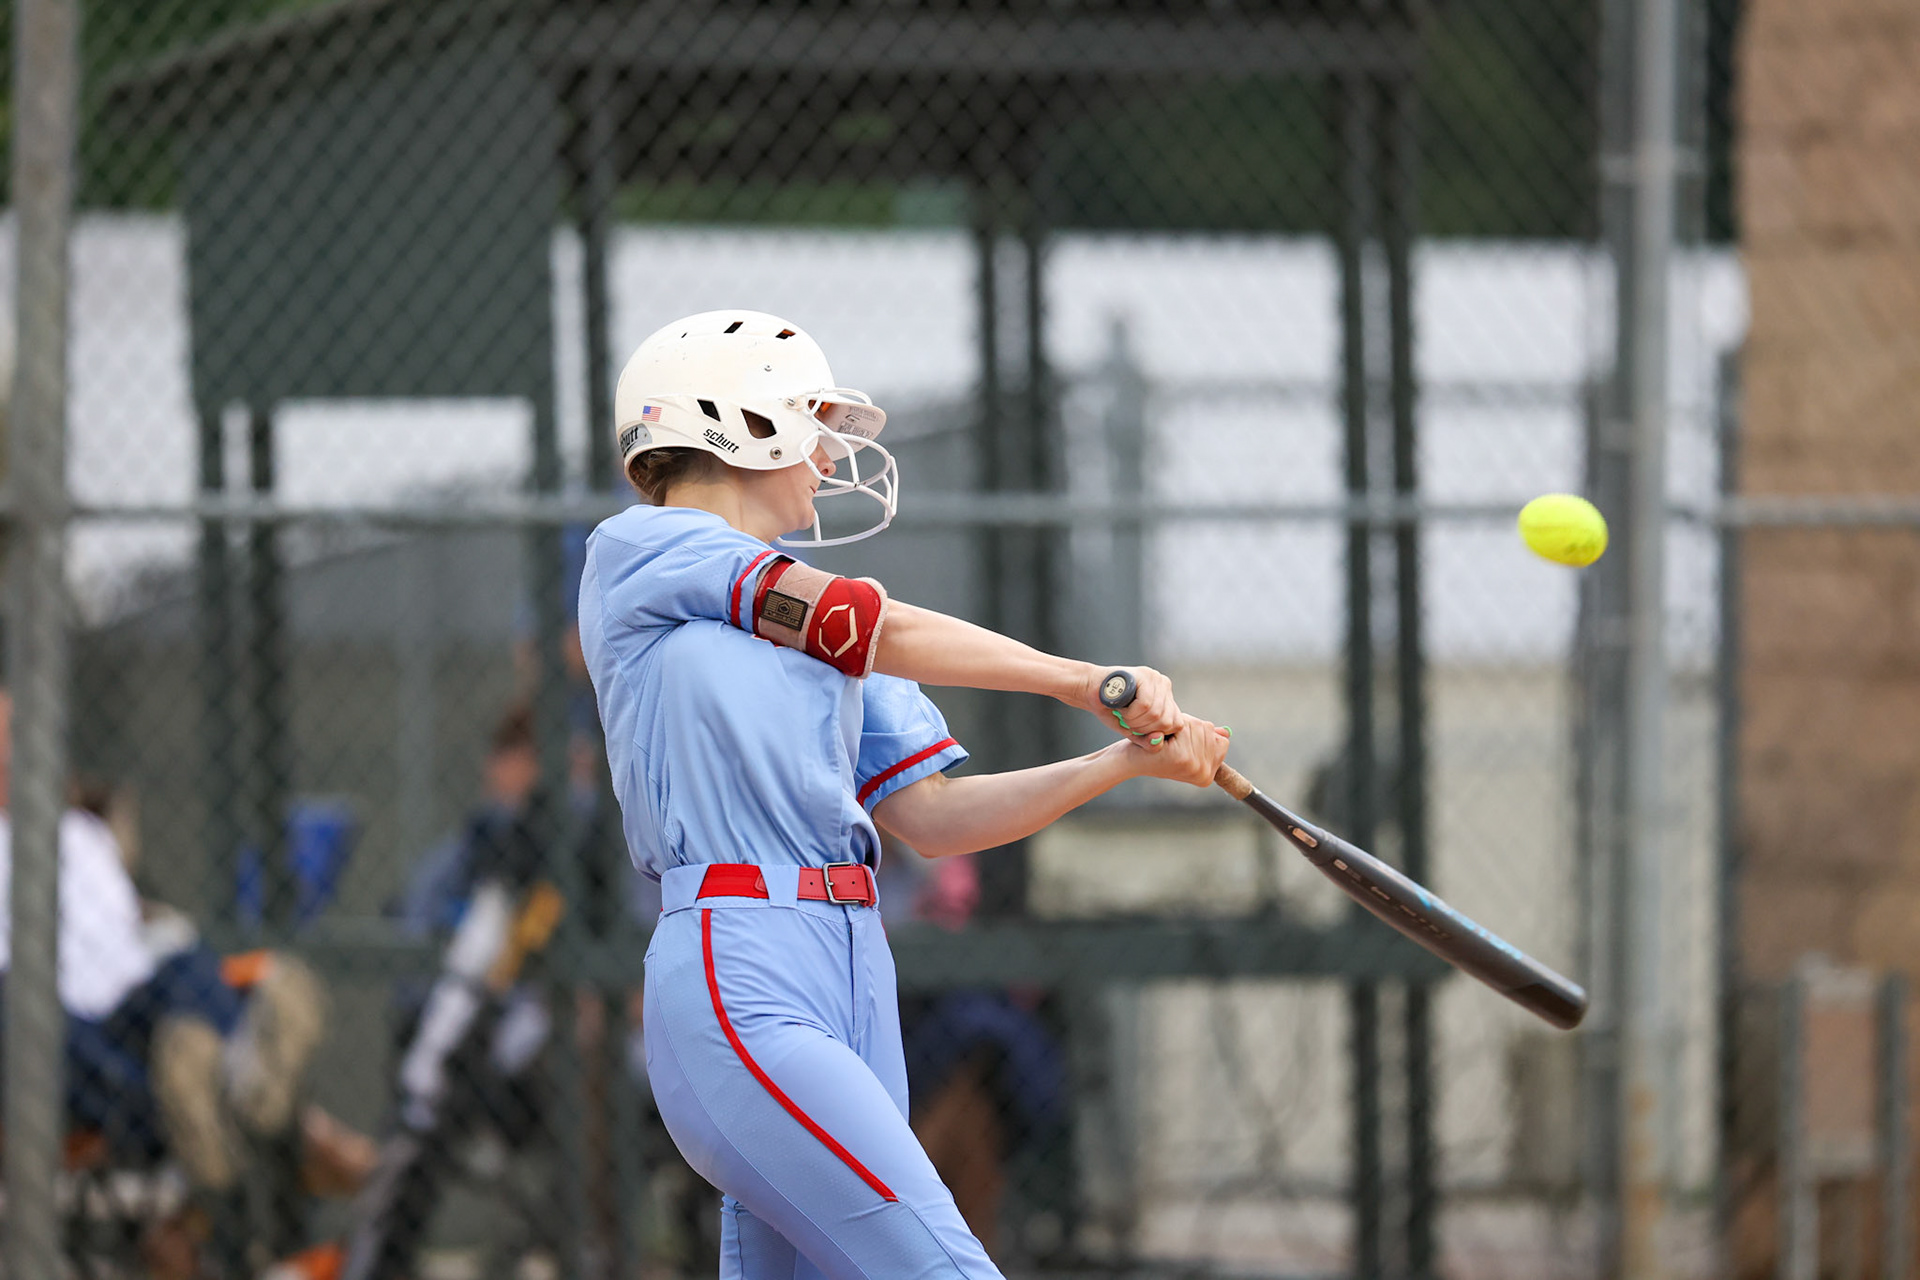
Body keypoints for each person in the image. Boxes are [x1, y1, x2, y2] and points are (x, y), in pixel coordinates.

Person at [578, 310, 1229, 1277]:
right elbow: (871, 624)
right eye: (807, 418)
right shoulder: (647, 553)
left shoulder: (814, 622)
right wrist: (1078, 679)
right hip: (741, 966)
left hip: (855, 970)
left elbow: (932, 819)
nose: (828, 450)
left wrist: (1120, 765)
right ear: (737, 423)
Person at [0, 689, 332, 1276]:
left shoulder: (81, 837)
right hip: (54, 1038)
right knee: (18, 1009)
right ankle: (202, 1089)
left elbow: (135, 936)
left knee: (181, 954)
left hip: (137, 1011)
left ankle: (230, 1069)